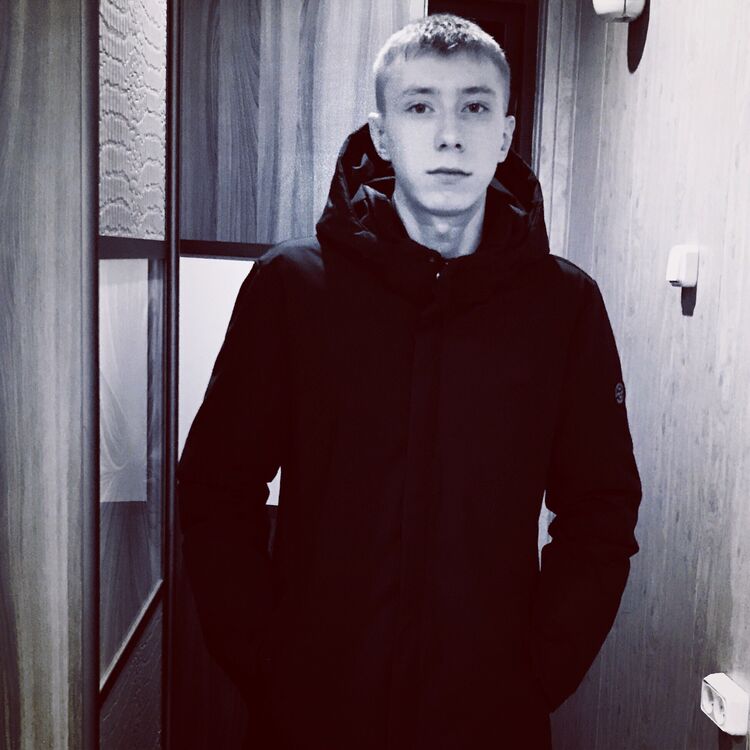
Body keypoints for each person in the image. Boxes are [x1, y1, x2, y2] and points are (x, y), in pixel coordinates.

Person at [178, 13, 642, 750]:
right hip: (309, 717)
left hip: (489, 721)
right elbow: (216, 488)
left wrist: (536, 675)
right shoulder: (291, 289)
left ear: (506, 134)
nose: (450, 135)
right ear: (383, 135)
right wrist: (267, 661)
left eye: (475, 107)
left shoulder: (564, 307)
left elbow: (601, 511)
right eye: (421, 106)